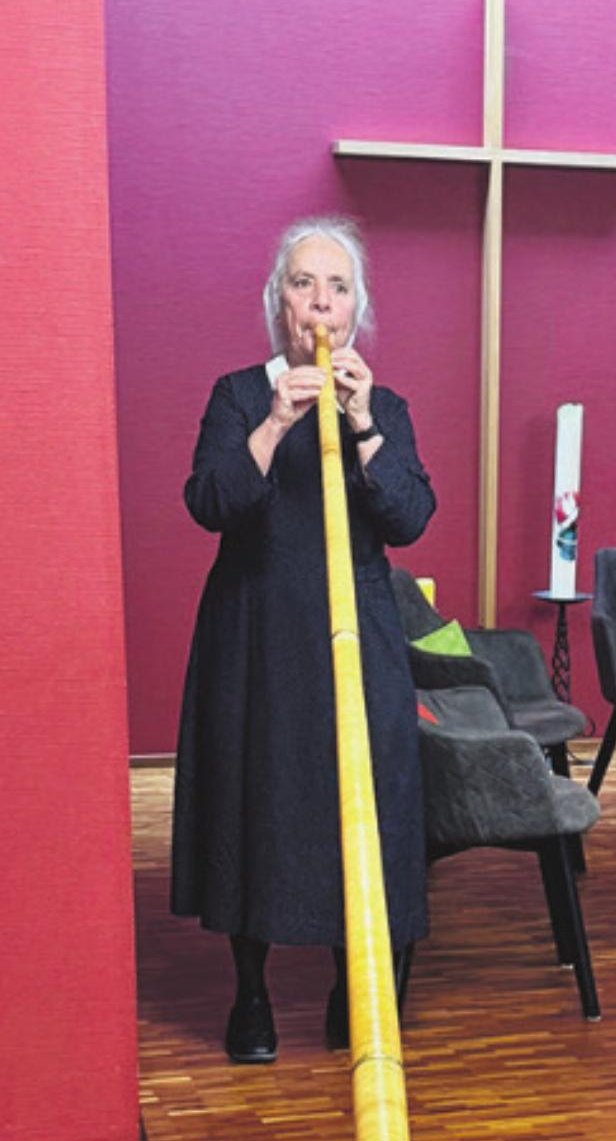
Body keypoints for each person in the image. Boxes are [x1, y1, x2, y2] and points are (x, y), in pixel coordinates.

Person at [171, 216, 436, 1062]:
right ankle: (250, 995)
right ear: (277, 303)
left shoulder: (385, 407)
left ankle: (352, 985)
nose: (320, 301)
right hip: (254, 634)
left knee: (361, 801)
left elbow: (410, 518)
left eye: (338, 286)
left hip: (357, 638)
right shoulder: (237, 395)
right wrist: (276, 421)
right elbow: (210, 501)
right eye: (303, 283)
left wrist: (362, 422)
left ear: (357, 309)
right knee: (254, 803)